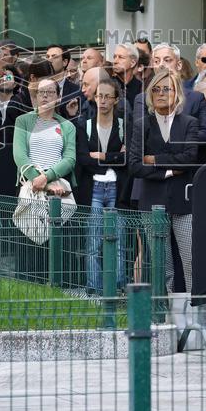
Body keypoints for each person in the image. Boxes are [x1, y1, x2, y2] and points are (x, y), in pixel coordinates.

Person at [128, 69, 206, 345]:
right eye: (156, 89)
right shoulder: (142, 124)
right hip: (151, 203)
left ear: (177, 93)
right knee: (162, 266)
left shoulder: (189, 123)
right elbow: (134, 165)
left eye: (167, 88)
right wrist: (169, 169)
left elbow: (189, 158)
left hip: (183, 202)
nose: (161, 94)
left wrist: (154, 160)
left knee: (192, 262)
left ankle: (203, 323)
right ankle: (169, 324)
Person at [76, 77, 129, 296]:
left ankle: (118, 287)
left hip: (117, 188)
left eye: (108, 96)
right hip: (94, 188)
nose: (103, 101)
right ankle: (94, 288)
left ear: (116, 100)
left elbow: (128, 159)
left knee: (118, 242)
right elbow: (83, 158)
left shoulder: (123, 125)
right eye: (100, 96)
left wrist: (103, 156)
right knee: (93, 243)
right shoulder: (85, 125)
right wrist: (115, 157)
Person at [12, 79, 77, 198]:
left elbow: (70, 159)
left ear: (58, 97)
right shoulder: (22, 121)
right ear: (36, 96)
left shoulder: (68, 126)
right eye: (41, 91)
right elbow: (19, 156)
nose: (45, 95)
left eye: (50, 92)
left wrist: (46, 177)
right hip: (29, 182)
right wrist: (40, 181)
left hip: (58, 185)